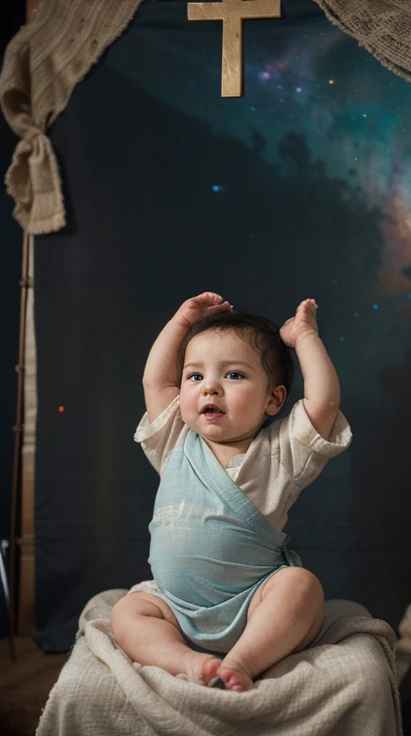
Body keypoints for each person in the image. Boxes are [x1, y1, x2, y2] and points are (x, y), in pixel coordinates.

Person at [111, 292, 352, 692]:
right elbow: (155, 380)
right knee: (127, 610)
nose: (210, 389)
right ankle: (188, 661)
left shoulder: (280, 454)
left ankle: (243, 660)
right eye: (195, 376)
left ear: (273, 399)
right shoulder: (174, 441)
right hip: (174, 608)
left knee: (301, 586)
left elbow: (323, 402)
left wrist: (304, 337)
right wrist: (181, 321)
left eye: (233, 375)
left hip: (254, 606)